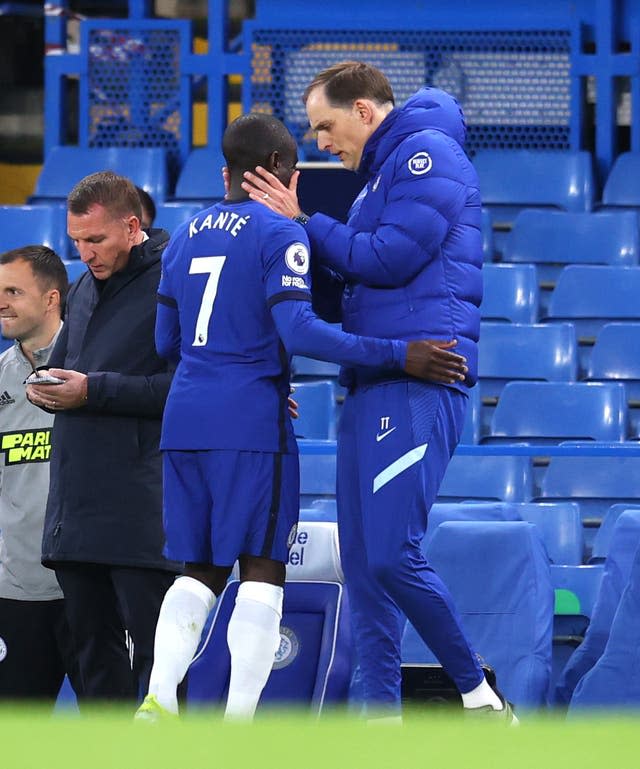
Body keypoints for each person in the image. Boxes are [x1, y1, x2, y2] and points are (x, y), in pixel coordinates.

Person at [134, 112, 470, 722]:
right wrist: (399, 353)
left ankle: (158, 700)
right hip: (250, 421)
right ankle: (238, 726)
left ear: (226, 172)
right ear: (285, 173)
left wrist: (219, 364)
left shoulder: (181, 235)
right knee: (262, 568)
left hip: (184, 420)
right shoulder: (278, 232)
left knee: (198, 568)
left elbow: (165, 343)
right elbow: (300, 329)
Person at [241, 61, 516, 722]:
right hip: (371, 385)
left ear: (365, 111)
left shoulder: (428, 155)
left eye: (326, 126)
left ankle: (480, 699)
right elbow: (355, 284)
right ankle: (379, 725)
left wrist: (302, 218)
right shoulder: (373, 187)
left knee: (392, 553)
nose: (322, 142)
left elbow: (389, 256)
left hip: (419, 379)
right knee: (364, 573)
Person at [26, 171, 178, 705]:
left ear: (132, 226)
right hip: (76, 508)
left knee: (159, 660)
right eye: (76, 242)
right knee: (92, 654)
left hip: (140, 510)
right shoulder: (84, 287)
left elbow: (186, 388)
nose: (85, 253)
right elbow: (64, 365)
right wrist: (41, 384)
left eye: (96, 240)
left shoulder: (173, 280)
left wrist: (94, 392)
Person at [0, 245, 78, 704]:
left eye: (13, 291)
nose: (1, 302)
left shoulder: (95, 364)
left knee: (114, 734)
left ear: (51, 299)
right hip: (17, 592)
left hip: (92, 591)